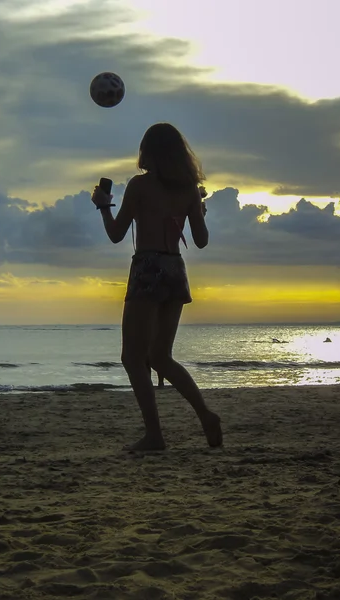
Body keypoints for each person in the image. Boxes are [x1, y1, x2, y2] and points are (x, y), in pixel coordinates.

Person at [91, 122, 222, 451]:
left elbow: (117, 233)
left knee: (133, 357)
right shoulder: (189, 189)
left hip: (148, 268)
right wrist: (199, 212)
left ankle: (154, 435)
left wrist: (104, 206)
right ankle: (205, 414)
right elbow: (202, 241)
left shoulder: (139, 186)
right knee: (160, 356)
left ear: (147, 152)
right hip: (175, 269)